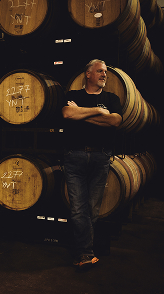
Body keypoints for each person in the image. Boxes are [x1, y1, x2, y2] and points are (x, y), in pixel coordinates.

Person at [62, 59, 122, 269]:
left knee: (92, 209)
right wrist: (98, 111)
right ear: (88, 74)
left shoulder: (112, 98)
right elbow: (67, 113)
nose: (104, 75)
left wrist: (82, 114)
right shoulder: (73, 96)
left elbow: (115, 121)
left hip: (100, 158)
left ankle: (82, 249)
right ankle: (85, 253)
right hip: (75, 156)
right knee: (78, 209)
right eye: (99, 71)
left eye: (105, 72)